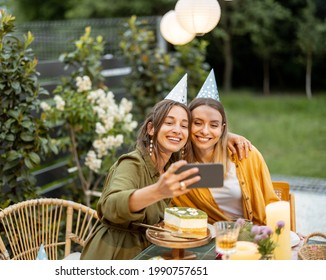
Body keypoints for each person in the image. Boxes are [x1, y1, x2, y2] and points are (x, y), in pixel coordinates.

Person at [81, 74, 250, 260]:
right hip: (114, 253)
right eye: (169, 123)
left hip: (153, 253)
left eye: (184, 125)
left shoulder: (174, 165)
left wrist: (224, 136)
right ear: (151, 128)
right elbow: (110, 205)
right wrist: (158, 191)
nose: (177, 130)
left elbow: (216, 176)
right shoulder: (132, 163)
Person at [173, 97, 280, 226]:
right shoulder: (179, 165)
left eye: (213, 125)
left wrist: (283, 233)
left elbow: (271, 202)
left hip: (252, 236)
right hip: (210, 239)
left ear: (222, 129)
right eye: (197, 123)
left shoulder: (246, 155)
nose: (205, 131)